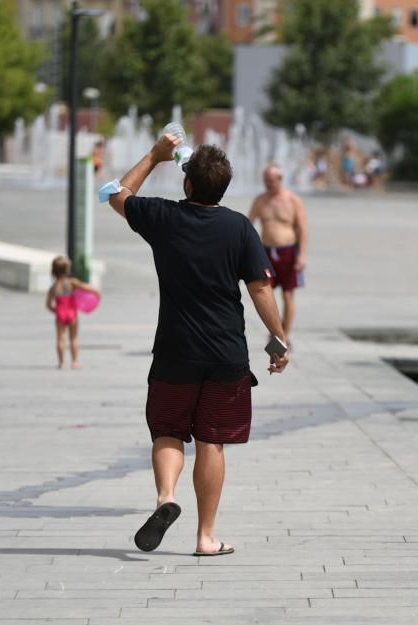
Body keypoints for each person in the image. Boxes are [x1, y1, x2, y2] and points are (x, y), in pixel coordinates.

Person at [104, 133, 289, 557]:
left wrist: (154, 155)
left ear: (187, 183)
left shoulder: (163, 217)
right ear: (223, 188)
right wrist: (278, 342)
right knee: (212, 442)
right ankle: (206, 538)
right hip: (226, 355)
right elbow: (261, 289)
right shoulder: (239, 226)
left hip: (174, 350)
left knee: (168, 431)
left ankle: (166, 497)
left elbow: (118, 194)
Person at [249, 164, 309, 347]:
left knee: (288, 295)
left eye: (272, 181)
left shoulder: (293, 200)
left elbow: (302, 229)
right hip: (266, 252)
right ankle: (276, 332)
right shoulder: (260, 200)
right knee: (266, 294)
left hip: (288, 251)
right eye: (266, 181)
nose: (268, 184)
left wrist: (302, 256)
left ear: (280, 180)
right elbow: (248, 225)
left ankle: (286, 335)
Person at [45, 255, 101, 370]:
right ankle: (75, 361)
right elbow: (87, 288)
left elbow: (48, 304)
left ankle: (61, 362)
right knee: (74, 338)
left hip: (60, 313)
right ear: (67, 269)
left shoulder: (54, 287)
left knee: (61, 338)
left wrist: (55, 310)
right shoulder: (72, 283)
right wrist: (97, 293)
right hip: (72, 313)